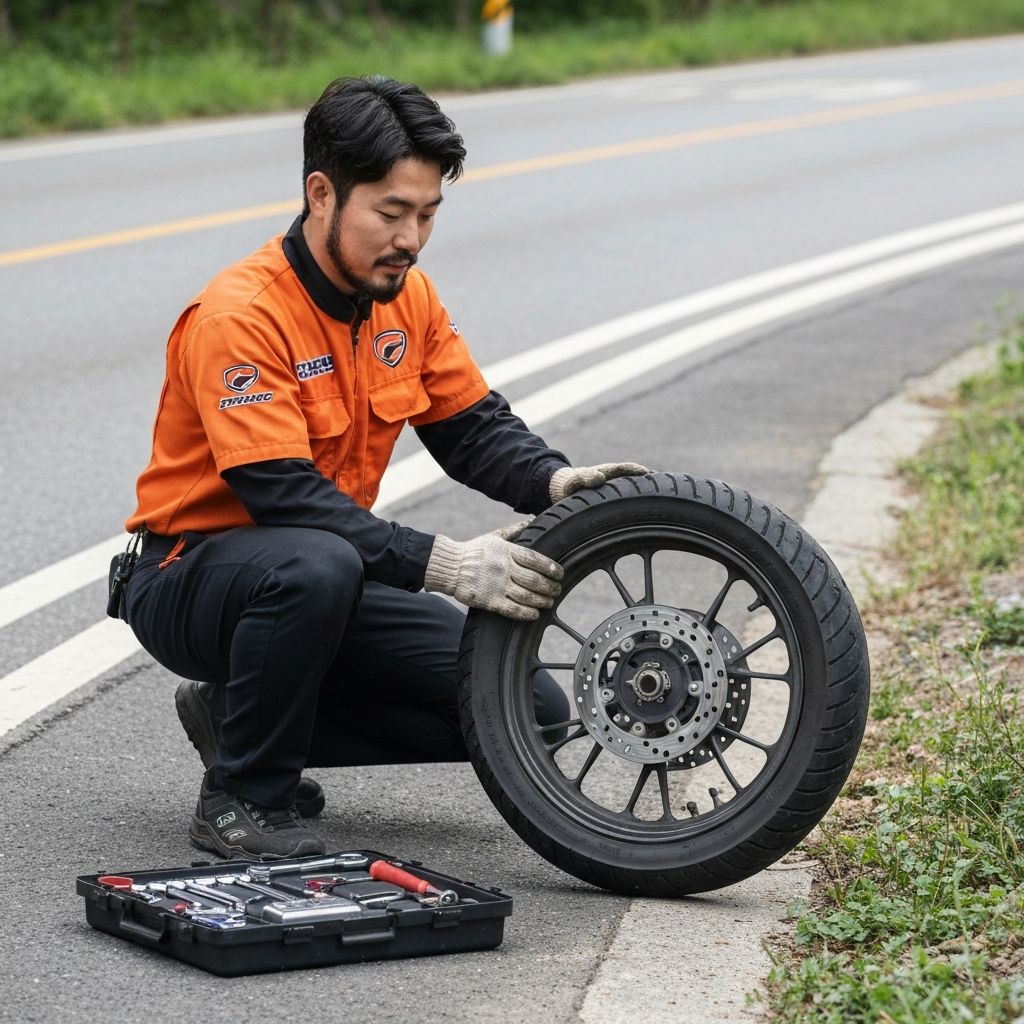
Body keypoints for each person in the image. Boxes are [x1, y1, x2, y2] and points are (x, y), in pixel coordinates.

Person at [118, 75, 647, 861]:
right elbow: (283, 495)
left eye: (428, 213)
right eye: (391, 213)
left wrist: (554, 482)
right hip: (190, 575)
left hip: (324, 575)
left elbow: (471, 428)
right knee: (315, 562)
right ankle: (243, 796)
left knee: (526, 712)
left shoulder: (407, 298)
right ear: (321, 194)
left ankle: (240, 721)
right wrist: (447, 565)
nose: (411, 238)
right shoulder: (242, 316)